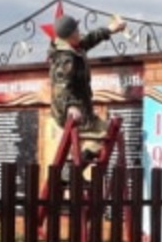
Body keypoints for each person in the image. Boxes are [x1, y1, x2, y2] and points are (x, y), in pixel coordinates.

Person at [49, 13, 127, 163]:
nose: (79, 32)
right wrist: (71, 106)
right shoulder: (65, 58)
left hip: (81, 109)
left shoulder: (73, 46)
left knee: (108, 133)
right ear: (70, 35)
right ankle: (70, 173)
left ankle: (70, 171)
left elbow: (90, 38)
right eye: (76, 30)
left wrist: (112, 29)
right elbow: (62, 87)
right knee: (106, 133)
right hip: (71, 112)